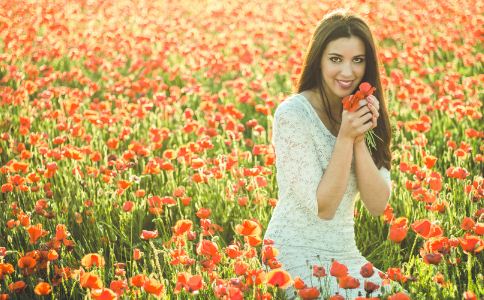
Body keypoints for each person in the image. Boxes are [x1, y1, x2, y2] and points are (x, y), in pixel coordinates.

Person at [263, 9, 397, 299]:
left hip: (345, 254)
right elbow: (323, 207)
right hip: (291, 254)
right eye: (336, 59)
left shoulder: (369, 115)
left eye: (357, 60)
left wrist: (359, 139)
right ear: (319, 60)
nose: (347, 72)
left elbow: (376, 205)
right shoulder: (293, 115)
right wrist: (345, 138)